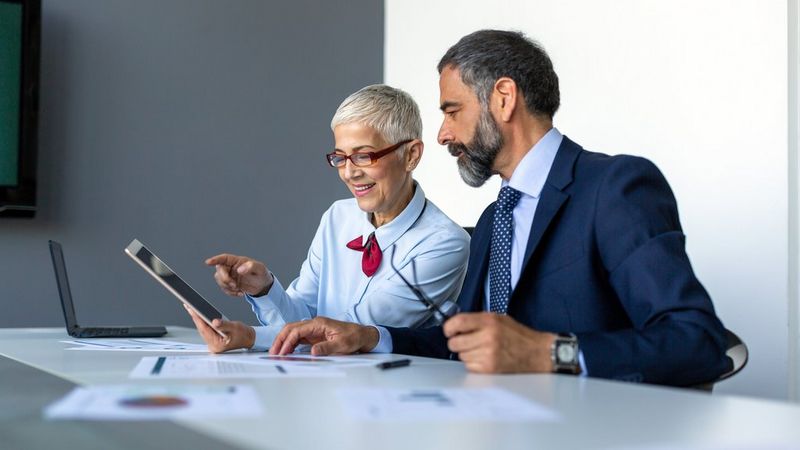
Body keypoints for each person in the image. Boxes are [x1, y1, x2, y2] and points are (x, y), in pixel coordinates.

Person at [268, 30, 732, 387]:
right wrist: (371, 337)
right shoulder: (495, 219)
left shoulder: (614, 188)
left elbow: (698, 342)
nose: (444, 135)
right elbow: (461, 343)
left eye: (452, 111)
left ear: (503, 99)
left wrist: (550, 354)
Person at [186, 84, 470, 353]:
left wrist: (248, 337)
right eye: (340, 157)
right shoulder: (338, 217)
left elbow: (349, 331)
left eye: (363, 156)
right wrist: (264, 290)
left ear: (411, 156)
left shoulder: (445, 244)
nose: (349, 173)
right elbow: (301, 318)